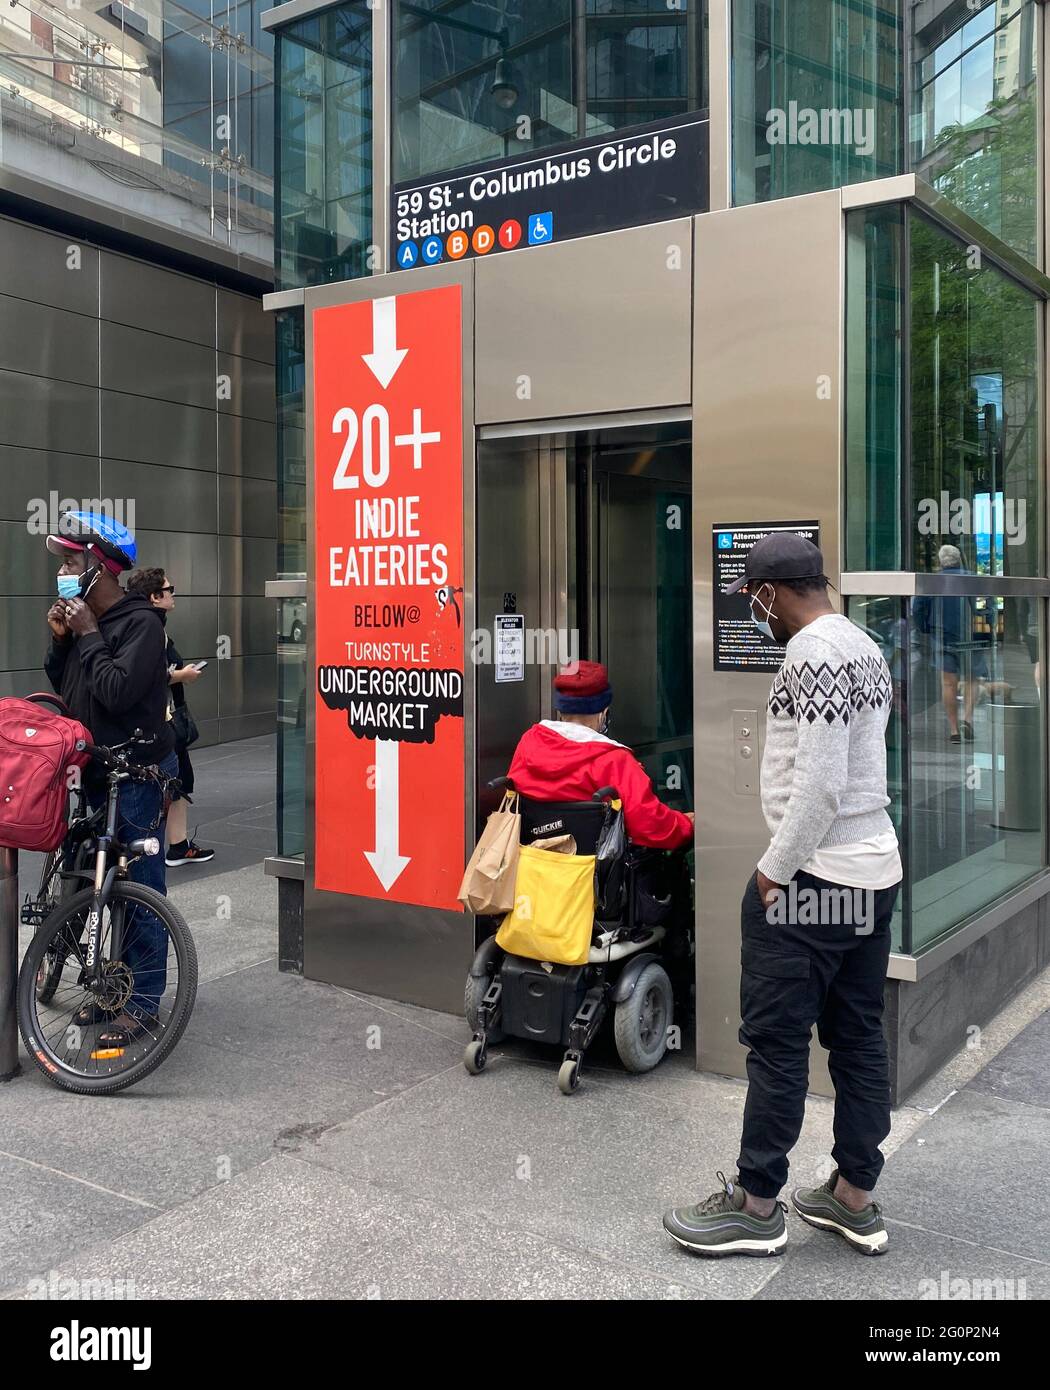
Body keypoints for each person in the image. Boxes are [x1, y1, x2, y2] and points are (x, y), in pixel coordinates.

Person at [663, 533, 901, 1258]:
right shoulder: (864, 642)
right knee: (857, 1033)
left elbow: (822, 786)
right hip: (874, 872)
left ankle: (756, 1204)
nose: (755, 614)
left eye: (753, 600)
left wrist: (771, 873)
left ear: (771, 593)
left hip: (813, 880)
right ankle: (853, 1196)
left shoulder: (811, 652)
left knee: (775, 1041)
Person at [44, 511, 178, 1046]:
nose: (65, 571)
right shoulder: (84, 629)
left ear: (100, 570)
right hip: (96, 771)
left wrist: (89, 634)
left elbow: (118, 690)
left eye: (73, 562)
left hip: (138, 774)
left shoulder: (142, 623)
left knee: (139, 887)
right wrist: (62, 643)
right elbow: (72, 686)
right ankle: (108, 990)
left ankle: (142, 1003)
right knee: (99, 886)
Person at [507, 660, 693, 850]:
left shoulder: (529, 742)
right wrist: (686, 824)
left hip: (531, 867)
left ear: (561, 709)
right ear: (602, 712)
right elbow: (649, 825)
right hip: (591, 875)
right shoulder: (614, 760)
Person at [125, 568, 215, 867]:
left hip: (158, 720)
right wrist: (181, 676)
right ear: (155, 597)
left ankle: (177, 845)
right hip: (159, 723)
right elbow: (148, 673)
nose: (173, 594)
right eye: (169, 589)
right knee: (173, 782)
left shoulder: (143, 624)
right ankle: (169, 847)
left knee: (175, 782)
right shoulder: (148, 627)